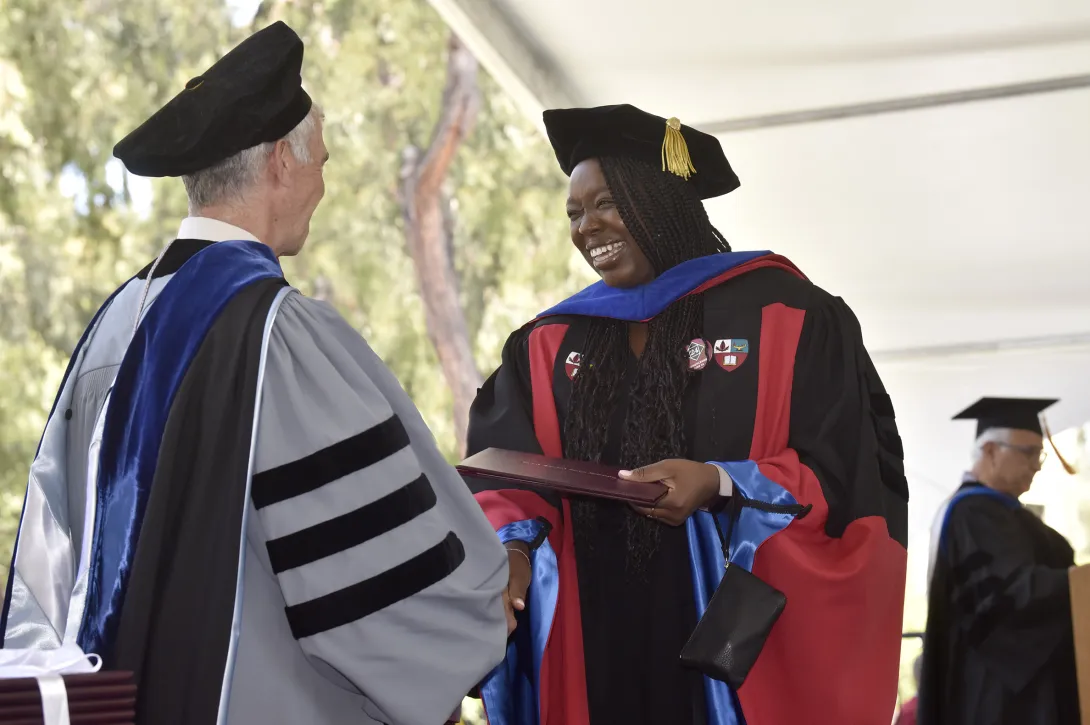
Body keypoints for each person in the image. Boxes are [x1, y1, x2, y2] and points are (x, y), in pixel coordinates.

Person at [0, 21, 508, 725]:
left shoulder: (110, 327)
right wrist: (482, 599)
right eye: (321, 162)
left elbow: (47, 563)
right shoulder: (279, 332)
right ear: (280, 161)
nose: (322, 186)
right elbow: (383, 593)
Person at [463, 104, 909, 725]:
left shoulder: (788, 314)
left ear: (661, 201)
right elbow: (505, 472)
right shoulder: (550, 343)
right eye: (574, 211)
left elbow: (846, 474)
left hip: (725, 642)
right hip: (594, 635)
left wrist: (721, 483)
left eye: (607, 203)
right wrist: (510, 549)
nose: (587, 226)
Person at [919, 397, 1080, 724]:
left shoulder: (997, 514)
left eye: (1040, 453)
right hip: (999, 695)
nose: (1037, 464)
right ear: (991, 450)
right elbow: (1011, 596)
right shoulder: (974, 513)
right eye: (1029, 452)